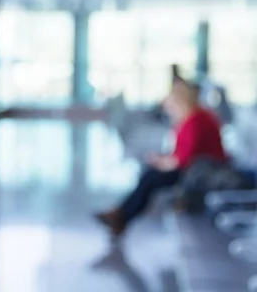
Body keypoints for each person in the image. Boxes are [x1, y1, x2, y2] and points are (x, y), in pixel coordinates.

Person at [95, 78, 226, 237]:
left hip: (203, 171)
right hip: (196, 168)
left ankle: (121, 215)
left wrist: (163, 162)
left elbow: (184, 159)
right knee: (149, 174)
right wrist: (162, 159)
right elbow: (182, 153)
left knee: (151, 177)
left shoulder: (195, 120)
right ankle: (121, 214)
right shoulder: (191, 118)